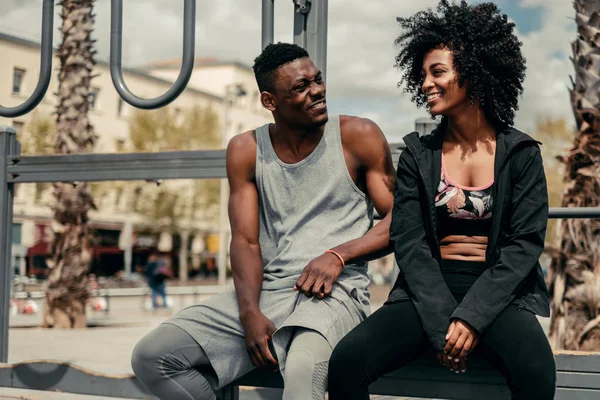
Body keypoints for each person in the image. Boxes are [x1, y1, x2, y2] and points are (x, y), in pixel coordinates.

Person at [131, 42, 396, 400]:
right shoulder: (246, 150)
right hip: (267, 291)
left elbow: (401, 219)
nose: (317, 91)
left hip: (334, 295)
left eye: (317, 80)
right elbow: (245, 241)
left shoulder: (357, 136)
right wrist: (249, 311)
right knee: (153, 357)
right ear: (270, 101)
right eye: (301, 88)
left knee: (304, 373)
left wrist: (339, 255)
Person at [328, 2, 556, 399]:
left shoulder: (520, 152)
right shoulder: (420, 153)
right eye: (422, 75)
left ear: (474, 73)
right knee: (346, 362)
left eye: (438, 72)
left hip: (499, 291)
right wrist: (442, 325)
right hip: (427, 288)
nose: (426, 84)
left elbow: (524, 246)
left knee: (537, 373)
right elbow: (410, 242)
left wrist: (471, 317)